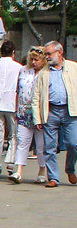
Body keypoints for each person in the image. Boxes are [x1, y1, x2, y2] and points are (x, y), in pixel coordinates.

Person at [31, 40, 77, 188]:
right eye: (45, 54)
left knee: (73, 143)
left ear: (60, 52)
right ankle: (53, 178)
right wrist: (37, 118)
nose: (47, 57)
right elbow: (36, 96)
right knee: (49, 147)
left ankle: (70, 169)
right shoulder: (44, 72)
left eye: (49, 53)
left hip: (70, 111)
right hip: (51, 111)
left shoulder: (73, 67)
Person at [10, 46, 47, 184]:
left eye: (37, 59)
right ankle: (18, 171)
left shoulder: (47, 72)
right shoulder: (24, 70)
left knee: (41, 144)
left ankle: (42, 170)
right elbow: (17, 91)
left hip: (40, 113)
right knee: (22, 141)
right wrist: (16, 109)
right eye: (32, 59)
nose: (34, 62)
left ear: (44, 60)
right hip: (24, 111)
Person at [0, 40, 22, 179]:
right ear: (13, 52)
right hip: (13, 104)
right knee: (14, 136)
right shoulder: (19, 67)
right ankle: (11, 164)